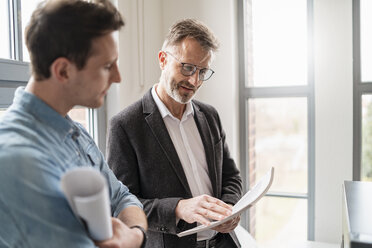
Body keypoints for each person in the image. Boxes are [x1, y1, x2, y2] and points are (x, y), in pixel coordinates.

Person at [0, 0, 148, 247]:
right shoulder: (17, 160)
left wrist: (134, 235)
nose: (118, 77)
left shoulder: (75, 132)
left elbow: (123, 196)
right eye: (106, 66)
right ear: (63, 71)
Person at [107, 18, 242, 248]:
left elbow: (231, 177)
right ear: (163, 60)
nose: (194, 80)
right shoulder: (125, 126)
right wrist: (178, 208)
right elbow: (121, 205)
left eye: (202, 71)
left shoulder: (210, 116)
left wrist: (228, 209)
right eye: (187, 67)